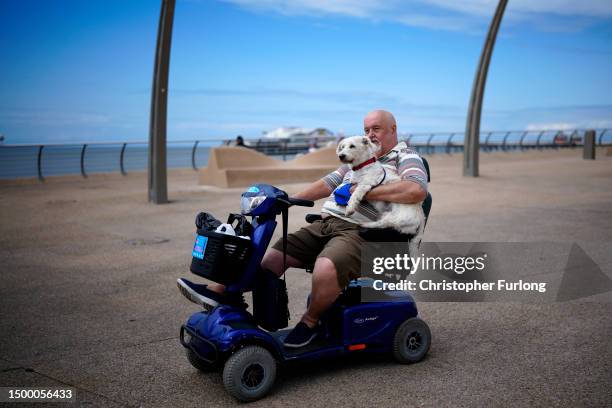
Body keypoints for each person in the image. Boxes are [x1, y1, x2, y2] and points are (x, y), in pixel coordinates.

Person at [198, 110, 428, 348]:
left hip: (363, 231)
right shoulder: (359, 155)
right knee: (272, 260)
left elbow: (416, 190)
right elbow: (328, 183)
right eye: (367, 129)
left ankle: (310, 323)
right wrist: (285, 200)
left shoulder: (405, 155)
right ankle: (232, 302)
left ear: (393, 129)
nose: (370, 134)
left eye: (376, 129)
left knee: (326, 267)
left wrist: (363, 192)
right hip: (327, 224)